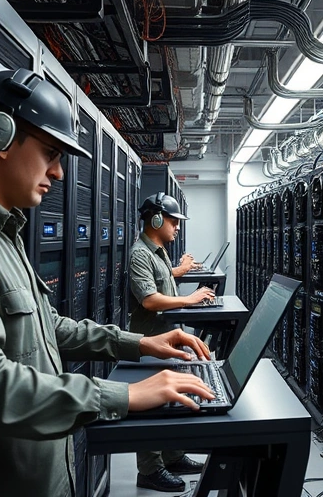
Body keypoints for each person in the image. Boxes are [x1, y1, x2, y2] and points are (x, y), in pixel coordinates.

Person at [0, 68, 215, 497]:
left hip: (50, 473)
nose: (60, 173)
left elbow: (55, 327)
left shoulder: (8, 238)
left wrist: (140, 344)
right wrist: (123, 395)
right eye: (50, 152)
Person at [129, 192, 216, 491]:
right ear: (155, 219)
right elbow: (150, 300)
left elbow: (164, 279)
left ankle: (172, 456)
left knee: (168, 401)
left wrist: (181, 269)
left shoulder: (159, 250)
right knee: (152, 406)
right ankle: (150, 470)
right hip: (151, 340)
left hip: (167, 338)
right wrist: (189, 299)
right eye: (173, 221)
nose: (177, 227)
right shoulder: (139, 254)